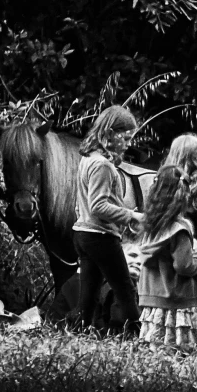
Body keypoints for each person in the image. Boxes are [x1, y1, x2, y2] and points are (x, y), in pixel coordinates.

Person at [70, 104, 143, 333]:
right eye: (126, 137)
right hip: (100, 237)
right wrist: (131, 215)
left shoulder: (88, 159)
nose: (129, 143)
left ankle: (77, 334)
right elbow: (98, 206)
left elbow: (83, 203)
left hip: (83, 234)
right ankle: (137, 336)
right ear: (110, 133)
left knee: (89, 295)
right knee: (125, 289)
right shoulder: (102, 165)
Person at [135, 165, 197, 351]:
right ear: (183, 196)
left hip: (152, 299)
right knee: (179, 353)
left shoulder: (150, 225)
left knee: (156, 351)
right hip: (176, 300)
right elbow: (183, 266)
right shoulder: (180, 229)